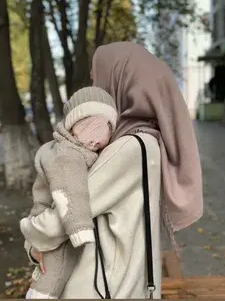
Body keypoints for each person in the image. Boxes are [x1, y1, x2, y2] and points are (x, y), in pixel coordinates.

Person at [23, 42, 203, 299]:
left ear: (121, 81)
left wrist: (31, 238)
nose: (96, 86)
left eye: (98, 77)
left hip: (103, 288)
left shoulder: (130, 147)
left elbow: (70, 212)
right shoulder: (144, 139)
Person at [20, 86, 117, 299]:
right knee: (53, 274)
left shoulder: (74, 148)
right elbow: (71, 193)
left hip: (48, 224)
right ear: (74, 126)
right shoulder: (67, 154)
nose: (95, 142)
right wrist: (80, 229)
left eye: (104, 131)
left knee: (51, 270)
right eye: (91, 129)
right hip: (56, 223)